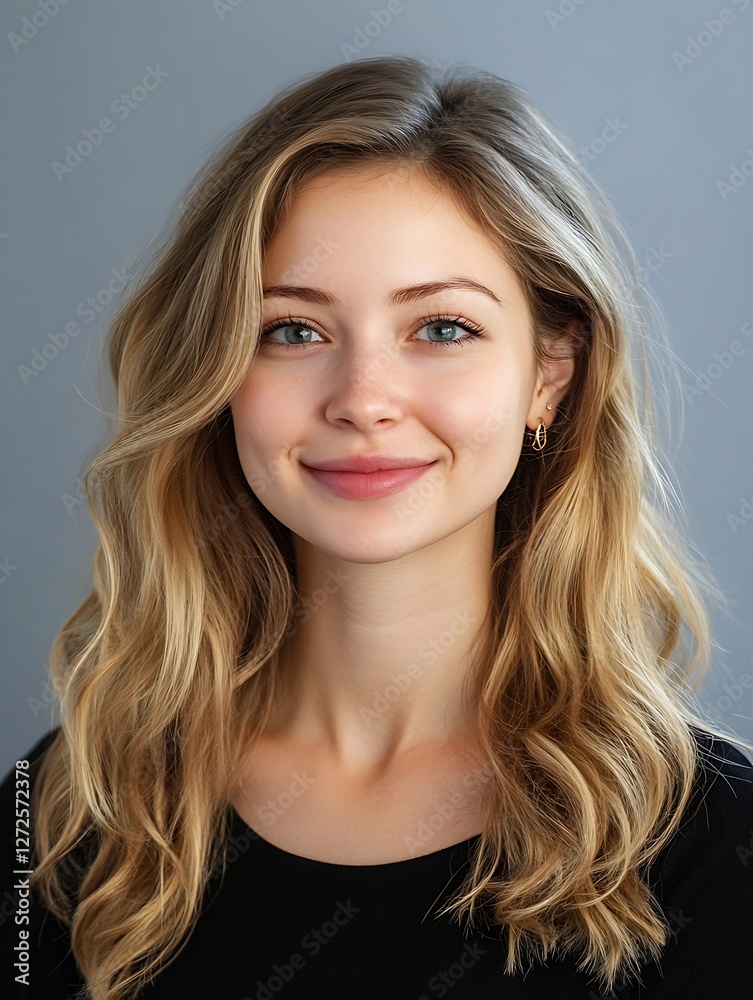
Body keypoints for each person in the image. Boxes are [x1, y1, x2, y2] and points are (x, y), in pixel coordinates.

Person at [1, 54, 752, 1000]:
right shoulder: (72, 806)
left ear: (549, 374)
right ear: (217, 375)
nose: (362, 400)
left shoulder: (714, 843)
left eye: (441, 329)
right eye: (293, 330)